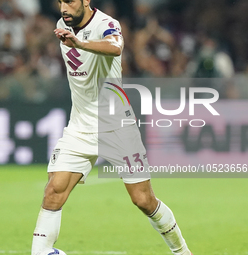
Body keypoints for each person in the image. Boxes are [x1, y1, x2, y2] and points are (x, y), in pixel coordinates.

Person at [31, 1, 193, 255]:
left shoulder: (107, 24)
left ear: (86, 1)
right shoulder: (64, 23)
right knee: (53, 191)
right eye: (61, 1)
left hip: (118, 126)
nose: (64, 7)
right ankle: (41, 252)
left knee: (143, 200)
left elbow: (116, 47)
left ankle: (182, 252)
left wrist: (80, 43)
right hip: (80, 125)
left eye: (71, 1)